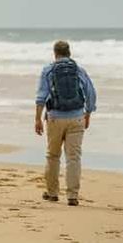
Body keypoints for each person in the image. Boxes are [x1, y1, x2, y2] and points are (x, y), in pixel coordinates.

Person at [34, 40, 97, 206]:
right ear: (69, 53)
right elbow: (91, 92)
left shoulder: (48, 70)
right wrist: (88, 113)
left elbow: (41, 96)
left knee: (53, 155)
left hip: (55, 117)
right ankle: (72, 196)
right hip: (77, 117)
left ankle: (53, 193)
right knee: (73, 158)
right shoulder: (78, 70)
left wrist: (37, 118)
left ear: (55, 54)